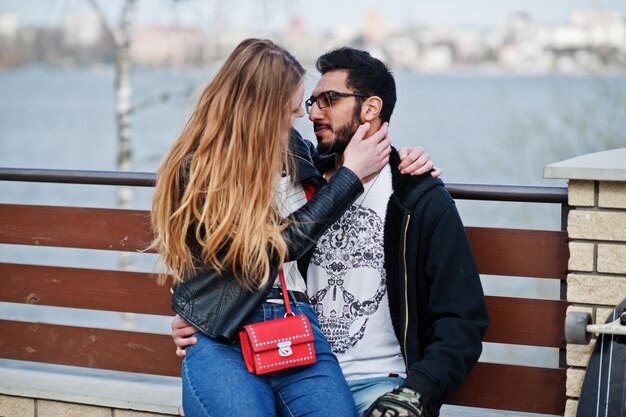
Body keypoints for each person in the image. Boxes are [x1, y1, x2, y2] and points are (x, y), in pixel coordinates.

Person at [172, 44, 482, 417]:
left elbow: (462, 318)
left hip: (378, 383)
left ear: (370, 108)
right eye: (309, 103)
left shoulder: (417, 199)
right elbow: (220, 237)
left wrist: (417, 391)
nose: (312, 114)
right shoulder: (304, 177)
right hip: (281, 352)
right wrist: (193, 309)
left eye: (328, 100)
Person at [151, 38, 394, 417]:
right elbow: (269, 249)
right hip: (223, 333)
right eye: (294, 103)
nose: (301, 113)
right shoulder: (197, 168)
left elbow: (338, 160)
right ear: (263, 106)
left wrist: (401, 158)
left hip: (296, 322)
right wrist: (350, 178)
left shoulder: (292, 147)